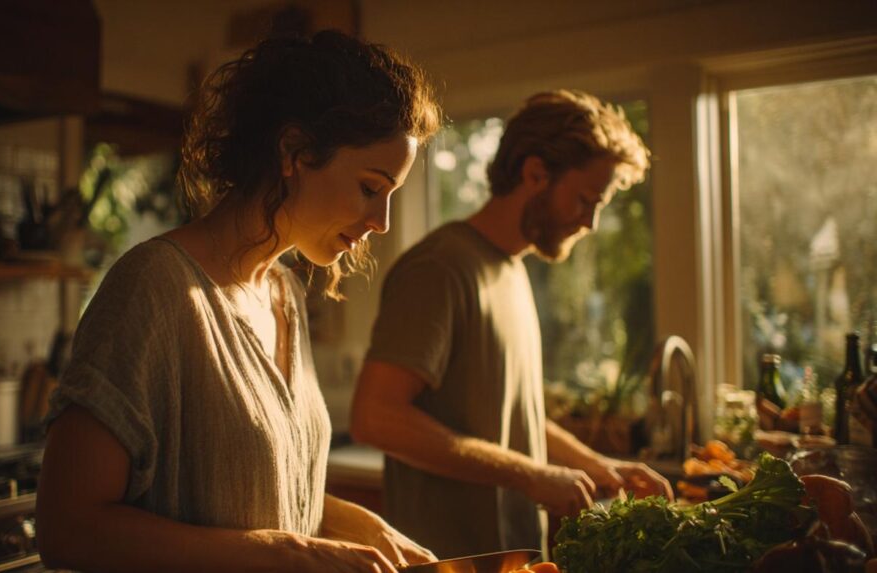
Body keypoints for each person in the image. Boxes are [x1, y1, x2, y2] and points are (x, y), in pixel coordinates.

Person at [36, 30, 442, 573]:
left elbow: (250, 492)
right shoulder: (155, 289)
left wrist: (348, 521)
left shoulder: (285, 296)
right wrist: (284, 553)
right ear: (294, 152)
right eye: (371, 188)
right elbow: (68, 529)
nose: (382, 223)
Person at [350, 89, 673, 559]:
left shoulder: (511, 270)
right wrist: (531, 474)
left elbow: (509, 417)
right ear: (535, 173)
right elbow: (376, 418)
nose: (591, 223)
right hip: (447, 561)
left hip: (513, 559)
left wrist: (597, 465)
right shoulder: (440, 268)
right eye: (585, 200)